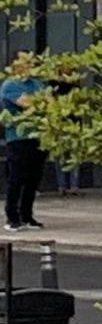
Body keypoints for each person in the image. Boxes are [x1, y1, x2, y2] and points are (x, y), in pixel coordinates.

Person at [1, 55, 47, 232]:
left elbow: (49, 104)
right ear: (13, 65)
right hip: (18, 137)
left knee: (33, 178)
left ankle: (27, 215)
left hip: (38, 135)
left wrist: (42, 102)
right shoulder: (9, 85)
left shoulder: (37, 84)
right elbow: (26, 104)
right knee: (17, 178)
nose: (27, 65)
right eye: (23, 62)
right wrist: (40, 102)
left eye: (29, 62)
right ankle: (12, 216)